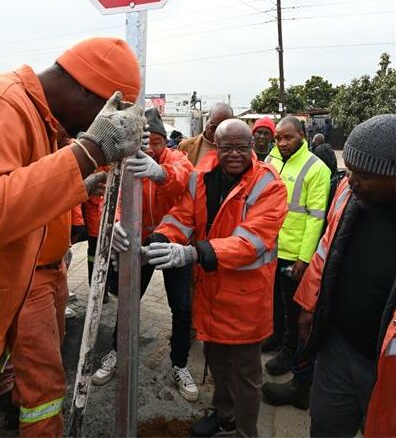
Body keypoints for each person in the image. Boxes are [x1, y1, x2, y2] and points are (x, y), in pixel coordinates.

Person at [0, 36, 144, 437]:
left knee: (35, 385)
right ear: (84, 87)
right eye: (98, 117)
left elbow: (30, 190)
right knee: (40, 388)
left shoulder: (43, 118)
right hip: (21, 282)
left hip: (30, 278)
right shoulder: (7, 104)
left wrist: (80, 179)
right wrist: (87, 151)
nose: (87, 129)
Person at [125, 119, 288, 437]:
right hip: (211, 292)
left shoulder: (269, 185)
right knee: (215, 360)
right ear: (217, 145)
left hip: (246, 299)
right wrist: (162, 238)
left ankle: (246, 431)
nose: (234, 154)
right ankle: (223, 414)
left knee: (246, 374)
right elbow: (184, 215)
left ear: (252, 147)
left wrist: (192, 254)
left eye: (242, 147)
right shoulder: (202, 175)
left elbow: (249, 243)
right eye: (227, 147)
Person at [294, 114, 396, 437]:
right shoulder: (348, 194)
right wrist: (309, 305)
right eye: (349, 170)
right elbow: (327, 250)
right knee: (325, 426)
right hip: (338, 347)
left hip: (387, 368)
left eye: (362, 175)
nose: (350, 180)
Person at [94, 109, 199, 401]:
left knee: (181, 307)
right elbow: (111, 198)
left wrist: (160, 172)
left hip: (171, 245)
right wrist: (113, 224)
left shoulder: (176, 159)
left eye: (156, 142)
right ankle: (115, 352)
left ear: (165, 141)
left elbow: (181, 177)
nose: (150, 149)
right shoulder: (126, 162)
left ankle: (179, 364)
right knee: (128, 300)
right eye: (145, 142)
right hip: (137, 245)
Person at [261, 115, 330, 391]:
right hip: (270, 247)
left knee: (293, 308)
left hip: (294, 254)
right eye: (278, 137)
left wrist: (303, 259)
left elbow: (316, 218)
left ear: (302, 134)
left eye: (287, 137)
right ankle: (276, 337)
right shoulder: (271, 160)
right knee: (273, 301)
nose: (282, 142)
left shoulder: (317, 169)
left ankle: (290, 351)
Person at [178, 102, 233, 167]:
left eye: (223, 129)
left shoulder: (237, 149)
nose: (217, 132)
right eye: (214, 127)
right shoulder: (185, 146)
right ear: (207, 120)